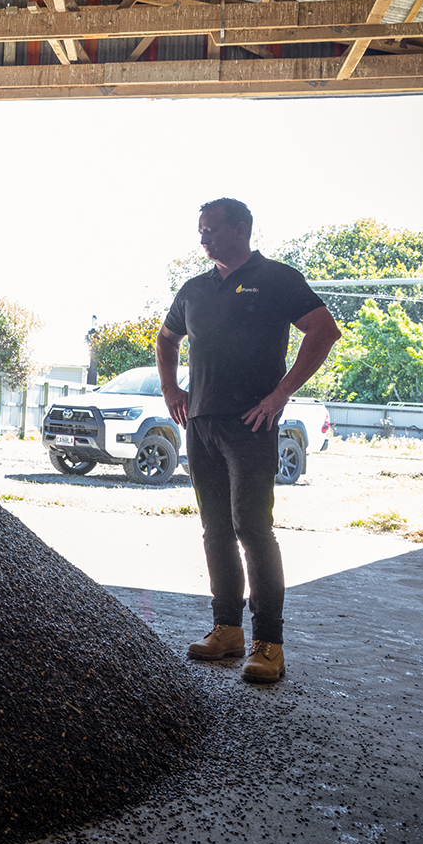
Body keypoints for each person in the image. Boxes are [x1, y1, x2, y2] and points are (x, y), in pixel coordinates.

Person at [157, 198, 340, 684]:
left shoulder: (278, 277)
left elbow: (323, 331)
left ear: (241, 229)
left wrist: (279, 397)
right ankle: (227, 631)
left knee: (252, 528)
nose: (203, 240)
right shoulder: (194, 289)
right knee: (215, 528)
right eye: (200, 231)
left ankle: (269, 643)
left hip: (252, 423)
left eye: (211, 230)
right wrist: (172, 389)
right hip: (201, 422)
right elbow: (166, 338)